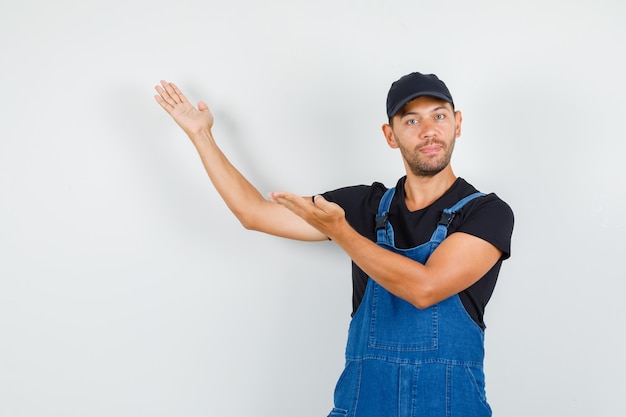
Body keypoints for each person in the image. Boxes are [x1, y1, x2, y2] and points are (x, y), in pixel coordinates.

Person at [154, 72, 514, 417]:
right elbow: (254, 213)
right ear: (391, 135)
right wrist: (202, 136)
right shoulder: (364, 207)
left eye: (439, 116)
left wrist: (342, 232)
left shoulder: (486, 213)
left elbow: (425, 288)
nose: (429, 131)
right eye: (411, 121)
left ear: (458, 123)